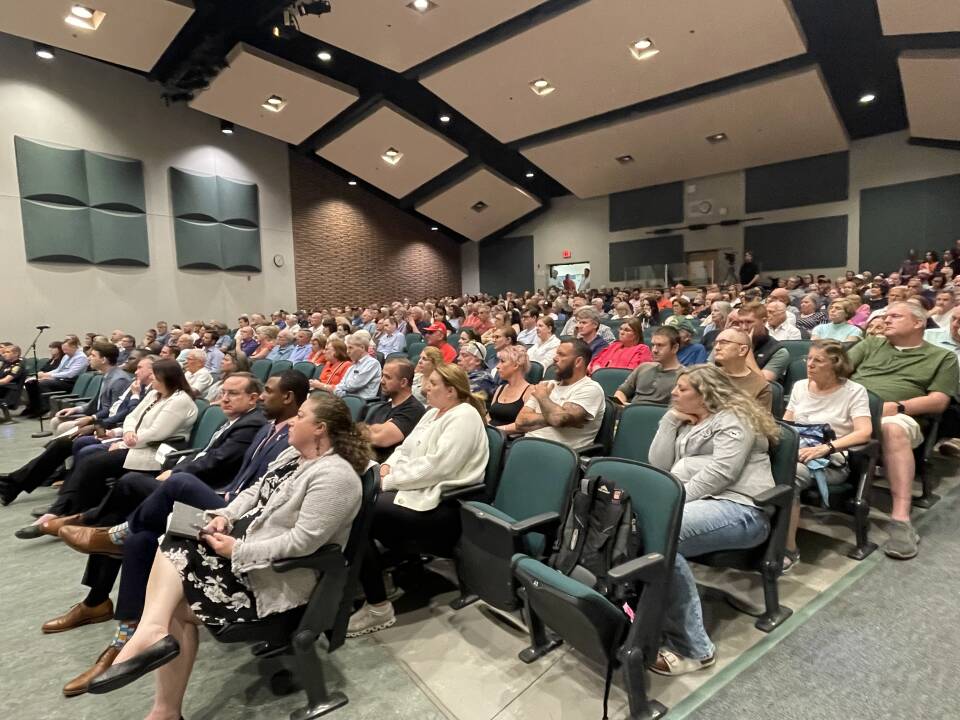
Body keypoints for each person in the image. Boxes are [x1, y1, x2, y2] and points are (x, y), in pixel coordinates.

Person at [86, 391, 368, 711]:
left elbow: (303, 543)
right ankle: (153, 643)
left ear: (320, 428)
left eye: (300, 416)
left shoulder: (336, 477)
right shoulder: (295, 455)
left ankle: (161, 690)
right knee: (179, 533)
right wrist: (225, 515)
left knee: (177, 594)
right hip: (252, 556)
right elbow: (254, 491)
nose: (291, 421)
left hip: (279, 580)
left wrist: (238, 550)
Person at [50, 372, 310, 696]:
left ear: (289, 398)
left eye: (266, 391)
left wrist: (222, 504)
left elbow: (266, 497)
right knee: (141, 539)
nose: (224, 398)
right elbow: (245, 481)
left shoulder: (286, 436)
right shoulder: (268, 428)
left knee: (158, 484)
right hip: (229, 503)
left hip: (240, 520)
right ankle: (119, 629)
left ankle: (107, 533)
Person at [647, 365, 779, 675]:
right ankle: (644, 617)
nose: (673, 392)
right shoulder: (689, 419)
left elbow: (721, 474)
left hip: (741, 509)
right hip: (702, 505)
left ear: (706, 394)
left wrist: (671, 504)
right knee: (645, 529)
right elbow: (659, 464)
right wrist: (670, 419)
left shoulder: (735, 419)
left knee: (662, 535)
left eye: (682, 389)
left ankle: (693, 649)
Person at [347, 364, 488, 637]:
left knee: (360, 509)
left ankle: (378, 606)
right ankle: (377, 577)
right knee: (356, 501)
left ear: (451, 391)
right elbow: (405, 449)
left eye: (433, 384)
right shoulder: (433, 413)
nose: (425, 389)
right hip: (415, 491)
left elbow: (437, 468)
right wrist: (386, 467)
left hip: (441, 504)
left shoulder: (464, 417)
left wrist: (388, 481)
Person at [19, 359, 198, 538]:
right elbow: (132, 417)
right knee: (89, 458)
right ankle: (66, 510)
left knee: (93, 462)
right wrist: (128, 432)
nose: (151, 378)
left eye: (154, 375)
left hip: (154, 452)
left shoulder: (180, 401)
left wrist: (124, 442)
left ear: (167, 377)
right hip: (135, 444)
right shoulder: (154, 394)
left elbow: (155, 433)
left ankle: (64, 512)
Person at [847, 302, 958, 559]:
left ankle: (901, 519)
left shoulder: (942, 357)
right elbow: (837, 371)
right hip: (850, 407)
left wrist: (896, 407)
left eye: (895, 316)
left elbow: (939, 401)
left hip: (898, 414)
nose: (886, 320)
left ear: (918, 323)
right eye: (886, 316)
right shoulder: (870, 344)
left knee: (893, 429)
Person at [782, 341, 872, 569]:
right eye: (809, 359)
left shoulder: (854, 391)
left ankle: (787, 549)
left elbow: (864, 432)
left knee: (787, 475)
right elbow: (787, 424)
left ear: (836, 364)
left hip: (831, 461)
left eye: (818, 360)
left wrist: (826, 448)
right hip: (798, 450)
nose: (810, 364)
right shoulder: (800, 386)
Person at [516, 339, 605, 451]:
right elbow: (520, 422)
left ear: (578, 362)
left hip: (560, 454)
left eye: (561, 354)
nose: (555, 358)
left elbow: (559, 419)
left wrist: (543, 397)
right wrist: (551, 417)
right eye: (556, 353)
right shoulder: (546, 385)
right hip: (527, 446)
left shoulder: (591, 389)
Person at [49, 341, 131, 435]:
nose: (89, 358)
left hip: (106, 422)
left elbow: (114, 410)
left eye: (93, 355)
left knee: (63, 427)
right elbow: (97, 403)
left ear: (103, 360)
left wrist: (92, 418)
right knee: (55, 420)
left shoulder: (119, 380)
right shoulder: (107, 375)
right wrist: (76, 409)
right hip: (97, 415)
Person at [362, 359, 426, 462]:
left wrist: (369, 430)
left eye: (388, 377)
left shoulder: (414, 410)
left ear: (403, 382)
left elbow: (380, 439)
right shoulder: (380, 408)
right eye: (382, 376)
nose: (382, 381)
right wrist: (378, 428)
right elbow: (359, 432)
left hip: (385, 466)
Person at [614, 326, 684, 406]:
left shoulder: (683, 376)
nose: (654, 350)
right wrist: (621, 404)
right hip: (631, 411)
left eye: (660, 345)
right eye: (653, 345)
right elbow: (622, 391)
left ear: (675, 348)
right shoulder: (643, 367)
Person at [21, 336, 89, 418]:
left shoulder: (81, 357)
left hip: (71, 382)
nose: (64, 352)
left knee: (43, 383)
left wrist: (50, 376)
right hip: (60, 379)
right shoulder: (67, 356)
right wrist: (46, 374)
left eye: (66, 350)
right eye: (63, 350)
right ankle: (34, 407)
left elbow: (70, 374)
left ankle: (47, 409)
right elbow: (58, 370)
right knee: (31, 383)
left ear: (74, 347)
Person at [711, 329, 773, 411]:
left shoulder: (760, 386)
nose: (717, 347)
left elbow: (760, 418)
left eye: (724, 342)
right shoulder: (707, 375)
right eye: (715, 343)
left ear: (742, 350)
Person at [730, 303, 791, 383]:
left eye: (749, 322)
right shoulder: (732, 342)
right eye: (741, 322)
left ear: (764, 321)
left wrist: (748, 349)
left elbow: (762, 383)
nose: (744, 327)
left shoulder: (779, 351)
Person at [487, 345, 534, 434]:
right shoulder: (501, 388)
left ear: (516, 365)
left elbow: (523, 425)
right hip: (491, 434)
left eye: (502, 361)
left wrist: (496, 430)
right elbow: (489, 416)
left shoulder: (530, 391)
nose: (497, 366)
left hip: (509, 438)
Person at [320, 333, 382, 399]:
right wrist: (337, 390)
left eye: (350, 348)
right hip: (345, 398)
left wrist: (336, 389)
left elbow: (353, 385)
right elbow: (342, 384)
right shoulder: (353, 365)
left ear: (362, 348)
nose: (347, 351)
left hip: (361, 402)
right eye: (347, 348)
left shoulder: (372, 363)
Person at [0, 344, 27, 412]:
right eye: (4, 352)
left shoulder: (18, 366)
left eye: (8, 352)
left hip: (9, 392)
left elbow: (5, 381)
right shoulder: (5, 364)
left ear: (16, 354)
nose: (4, 354)